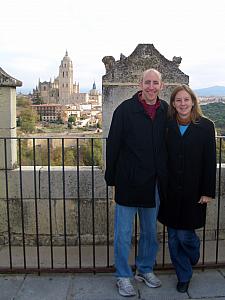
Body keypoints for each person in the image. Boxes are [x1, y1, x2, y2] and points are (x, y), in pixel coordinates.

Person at [105, 69, 168, 297]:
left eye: (155, 83)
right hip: (128, 182)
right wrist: (112, 179)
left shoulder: (165, 111)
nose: (151, 87)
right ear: (139, 84)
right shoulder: (125, 110)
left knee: (150, 233)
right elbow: (113, 146)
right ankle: (123, 275)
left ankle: (145, 269)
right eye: (147, 82)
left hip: (153, 184)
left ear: (161, 86)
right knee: (123, 233)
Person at [158, 84, 217, 293]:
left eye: (186, 99)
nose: (182, 104)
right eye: (178, 100)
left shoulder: (206, 126)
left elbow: (210, 161)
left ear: (193, 102)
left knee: (185, 236)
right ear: (173, 104)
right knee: (173, 237)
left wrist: (208, 191)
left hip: (194, 191)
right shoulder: (166, 126)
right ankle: (183, 275)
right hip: (170, 191)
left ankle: (193, 253)